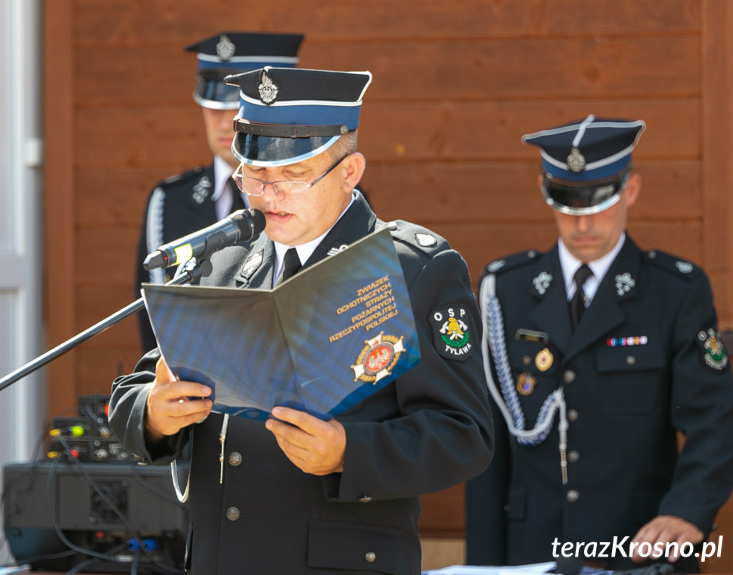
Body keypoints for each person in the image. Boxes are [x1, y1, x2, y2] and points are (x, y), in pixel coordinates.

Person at [110, 66, 494, 575]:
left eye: (292, 175)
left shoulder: (410, 269)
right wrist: (156, 415)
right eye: (256, 175)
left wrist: (348, 452)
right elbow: (132, 394)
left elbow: (465, 435)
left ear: (350, 172)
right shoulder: (223, 263)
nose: (269, 195)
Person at [465, 115, 733, 571]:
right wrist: (486, 566)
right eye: (568, 201)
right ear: (545, 191)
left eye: (598, 201)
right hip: (533, 554)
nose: (582, 220)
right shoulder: (505, 290)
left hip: (638, 551)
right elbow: (487, 443)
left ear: (630, 190)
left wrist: (687, 510)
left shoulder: (674, 291)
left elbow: (715, 417)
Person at [134, 32, 305, 353]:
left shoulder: (323, 190)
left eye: (240, 104)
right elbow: (158, 330)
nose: (227, 120)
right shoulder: (169, 201)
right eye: (215, 102)